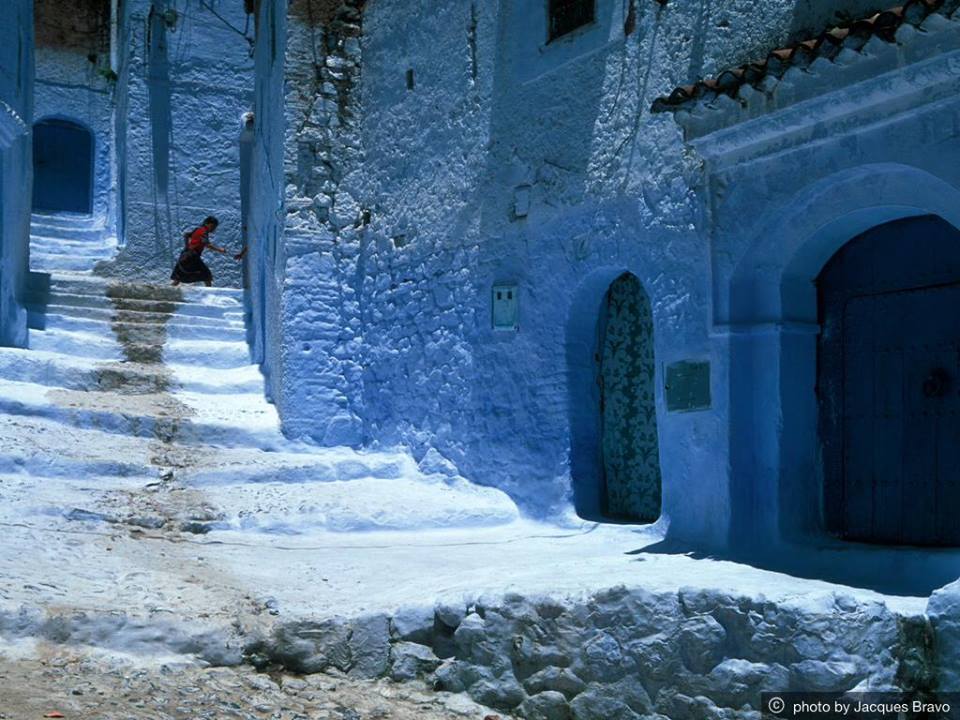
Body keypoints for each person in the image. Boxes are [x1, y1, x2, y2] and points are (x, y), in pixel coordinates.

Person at [170, 216, 228, 287]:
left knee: (179, 276)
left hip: (185, 255)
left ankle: (169, 290)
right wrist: (220, 249)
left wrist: (187, 247)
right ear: (207, 224)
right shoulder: (204, 232)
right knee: (207, 275)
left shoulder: (198, 229)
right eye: (212, 226)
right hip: (192, 256)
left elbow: (186, 235)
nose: (213, 229)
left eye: (214, 227)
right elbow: (207, 244)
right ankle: (209, 292)